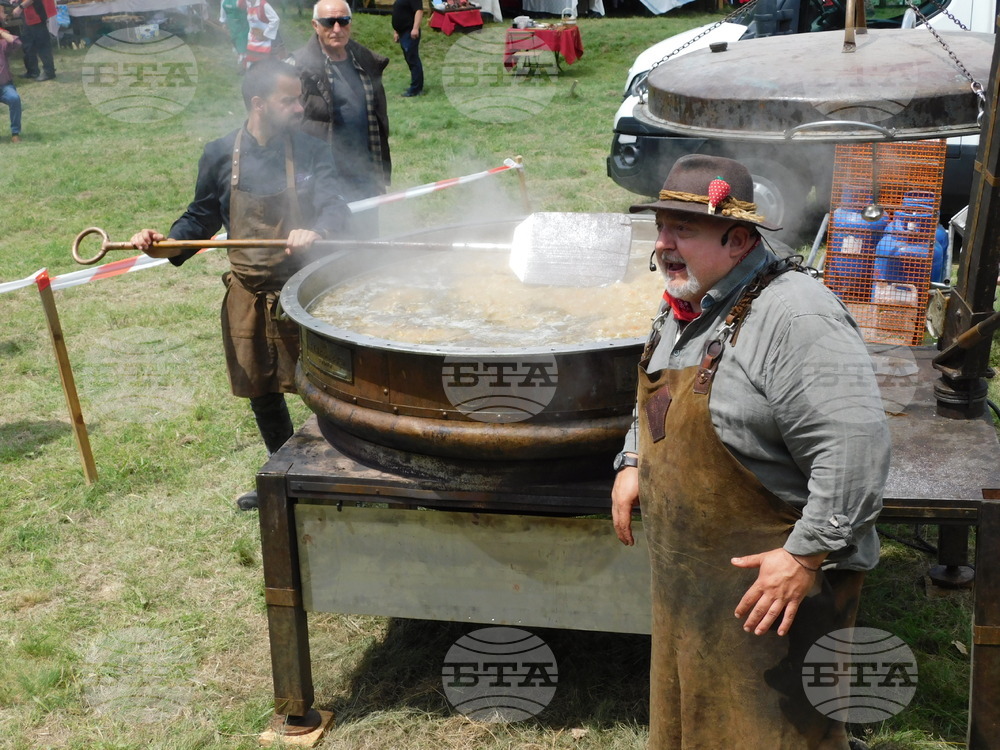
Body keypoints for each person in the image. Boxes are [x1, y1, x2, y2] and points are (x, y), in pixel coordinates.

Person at [610, 154, 890, 749]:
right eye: (661, 227)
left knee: (777, 733)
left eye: (682, 230)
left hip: (782, 589)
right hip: (697, 586)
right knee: (694, 719)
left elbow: (856, 452)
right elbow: (658, 394)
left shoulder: (796, 318)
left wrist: (807, 556)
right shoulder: (684, 302)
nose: (663, 245)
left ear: (738, 240)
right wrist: (635, 459)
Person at [129, 60, 351, 511]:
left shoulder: (310, 150)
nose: (299, 106)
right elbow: (202, 216)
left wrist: (319, 230)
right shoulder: (218, 153)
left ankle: (335, 474)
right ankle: (286, 471)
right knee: (261, 387)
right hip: (247, 293)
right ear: (258, 104)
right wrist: (163, 243)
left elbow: (334, 205)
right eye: (288, 99)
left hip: (303, 289)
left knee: (322, 388)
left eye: (299, 97)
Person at [294, 0, 390, 235]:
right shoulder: (298, 67)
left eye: (343, 21)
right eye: (329, 22)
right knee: (331, 243)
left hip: (364, 170)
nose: (337, 28)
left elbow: (377, 120)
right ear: (315, 25)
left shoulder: (367, 61)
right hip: (324, 173)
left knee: (368, 238)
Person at [10, 0, 55, 81]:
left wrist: (20, 7)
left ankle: (49, 72)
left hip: (37, 14)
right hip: (27, 16)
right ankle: (33, 71)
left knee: (43, 45)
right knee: (28, 44)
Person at [391, 0, 423, 97]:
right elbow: (399, 12)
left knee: (413, 60)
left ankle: (416, 89)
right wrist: (396, 32)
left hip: (409, 32)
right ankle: (415, 85)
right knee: (410, 60)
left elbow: (419, 11)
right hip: (402, 32)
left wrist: (415, 28)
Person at [0, 7, 22, 142]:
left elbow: (17, 42)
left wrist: (1, 33)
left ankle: (15, 133)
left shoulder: (2, 44)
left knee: (14, 98)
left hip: (5, 86)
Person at [242, 0, 282, 69]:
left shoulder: (263, 5)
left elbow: (275, 19)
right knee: (251, 63)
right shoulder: (248, 4)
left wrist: (266, 34)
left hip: (264, 42)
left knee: (264, 65)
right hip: (252, 40)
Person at [219, 0, 250, 69]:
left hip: (242, 24)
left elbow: (250, 7)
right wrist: (223, 22)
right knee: (234, 40)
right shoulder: (224, 1)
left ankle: (245, 64)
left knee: (242, 42)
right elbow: (223, 10)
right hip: (232, 24)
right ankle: (241, 59)